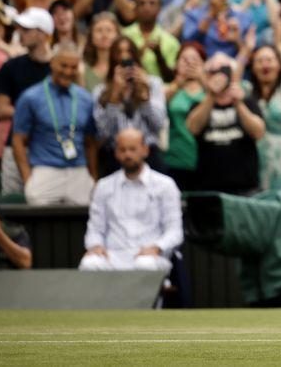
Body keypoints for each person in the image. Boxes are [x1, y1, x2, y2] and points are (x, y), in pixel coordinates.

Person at [79, 128, 183, 273]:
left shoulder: (165, 185)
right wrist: (95, 245)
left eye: (132, 149)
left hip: (151, 255)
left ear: (145, 150)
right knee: (89, 264)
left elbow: (174, 231)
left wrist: (157, 247)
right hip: (112, 255)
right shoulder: (104, 186)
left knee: (144, 264)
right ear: (116, 153)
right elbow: (95, 228)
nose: (127, 154)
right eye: (122, 150)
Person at [12, 42, 98, 206]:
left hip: (78, 170)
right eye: (63, 65)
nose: (68, 71)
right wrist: (27, 178)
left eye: (73, 67)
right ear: (52, 63)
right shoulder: (31, 97)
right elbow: (18, 140)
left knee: (85, 220)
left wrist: (92, 176)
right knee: (39, 217)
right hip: (45, 168)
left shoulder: (85, 99)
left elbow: (90, 142)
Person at [0, 8, 54, 195]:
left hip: (50, 148)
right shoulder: (12, 66)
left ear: (43, 34)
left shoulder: (61, 67)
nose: (20, 34)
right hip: (16, 145)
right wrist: (32, 111)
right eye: (20, 29)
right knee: (13, 206)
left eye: (26, 30)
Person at [186, 53, 265, 194]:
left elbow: (259, 132)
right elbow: (193, 128)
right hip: (208, 186)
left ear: (232, 73)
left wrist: (238, 103)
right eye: (213, 72)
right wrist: (211, 95)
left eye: (223, 70)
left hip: (245, 187)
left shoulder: (247, 101)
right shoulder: (199, 103)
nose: (219, 76)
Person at [92, 37, 167, 177]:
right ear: (112, 58)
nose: (124, 57)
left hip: (148, 156)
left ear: (136, 57)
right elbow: (103, 132)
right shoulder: (101, 91)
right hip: (115, 158)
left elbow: (158, 124)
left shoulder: (153, 84)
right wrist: (114, 98)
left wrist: (144, 98)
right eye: (118, 52)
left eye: (129, 52)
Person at [247, 45, 281, 190]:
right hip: (257, 156)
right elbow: (230, 82)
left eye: (270, 60)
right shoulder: (248, 92)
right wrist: (245, 50)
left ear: (279, 65)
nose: (265, 65)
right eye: (259, 61)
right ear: (252, 67)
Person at [163, 42, 206, 190]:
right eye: (184, 60)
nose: (189, 64)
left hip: (207, 159)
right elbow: (158, 107)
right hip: (176, 158)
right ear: (176, 64)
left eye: (195, 60)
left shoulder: (211, 91)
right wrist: (177, 84)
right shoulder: (168, 89)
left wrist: (203, 80)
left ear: (204, 64)